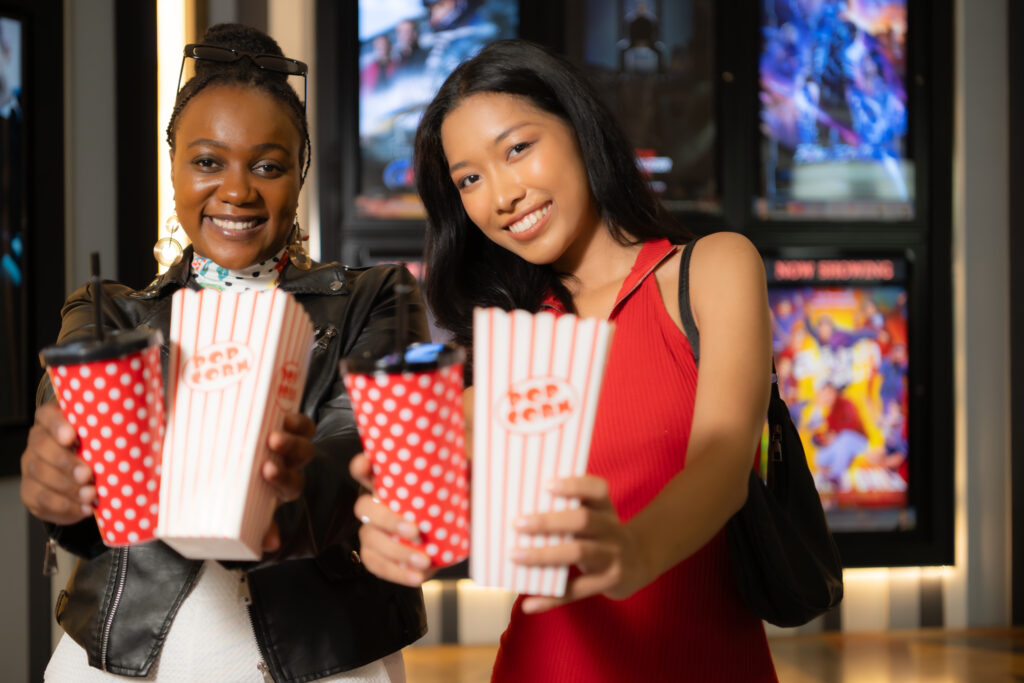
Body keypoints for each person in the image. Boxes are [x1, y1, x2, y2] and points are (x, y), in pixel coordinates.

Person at [351, 39, 777, 681]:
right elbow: (427, 501)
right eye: (469, 179)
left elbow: (723, 464)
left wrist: (634, 550)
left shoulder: (713, 269)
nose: (502, 195)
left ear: (579, 129)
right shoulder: (514, 343)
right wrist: (389, 530)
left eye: (517, 149)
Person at [21, 24, 427, 682]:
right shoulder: (106, 311)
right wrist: (58, 478)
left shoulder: (374, 298)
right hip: (124, 664)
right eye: (208, 161)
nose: (236, 191)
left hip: (324, 659)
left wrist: (294, 486)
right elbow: (71, 431)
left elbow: (364, 448)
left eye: (266, 165)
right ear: (174, 164)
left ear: (299, 171)